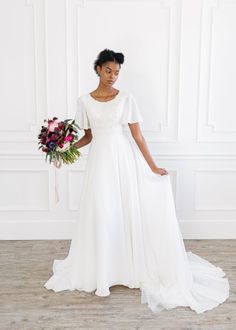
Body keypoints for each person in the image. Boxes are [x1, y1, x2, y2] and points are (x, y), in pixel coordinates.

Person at [44, 48, 230, 314]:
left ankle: (129, 267)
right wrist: (64, 147)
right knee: (102, 211)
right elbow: (89, 135)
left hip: (123, 160)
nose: (112, 76)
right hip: (99, 163)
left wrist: (153, 167)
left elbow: (138, 137)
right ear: (98, 69)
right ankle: (102, 270)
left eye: (117, 72)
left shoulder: (126, 99)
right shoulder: (84, 100)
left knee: (124, 210)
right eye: (108, 70)